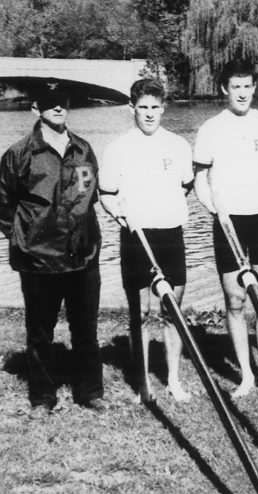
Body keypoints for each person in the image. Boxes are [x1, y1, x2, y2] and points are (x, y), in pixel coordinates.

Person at [0, 81, 106, 414]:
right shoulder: (19, 154)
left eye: (62, 102)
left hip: (82, 254)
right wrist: (21, 238)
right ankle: (43, 398)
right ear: (36, 109)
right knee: (40, 332)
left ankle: (90, 392)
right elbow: (3, 205)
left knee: (86, 328)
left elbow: (92, 198)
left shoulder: (84, 148)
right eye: (49, 103)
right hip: (39, 259)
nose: (58, 108)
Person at [193, 58, 258, 398]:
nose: (243, 93)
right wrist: (213, 209)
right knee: (234, 300)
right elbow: (200, 178)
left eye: (248, 86)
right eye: (236, 87)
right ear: (224, 89)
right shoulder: (210, 129)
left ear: (255, 87)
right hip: (229, 223)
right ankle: (245, 375)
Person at [99, 78, 195, 402]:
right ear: (132, 109)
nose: (150, 114)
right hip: (135, 237)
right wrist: (123, 216)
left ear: (163, 108)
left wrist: (162, 208)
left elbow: (185, 185)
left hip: (170, 234)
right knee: (139, 314)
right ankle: (143, 385)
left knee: (172, 310)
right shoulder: (117, 148)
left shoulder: (179, 145)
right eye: (143, 108)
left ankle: (174, 380)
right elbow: (106, 195)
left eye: (155, 107)